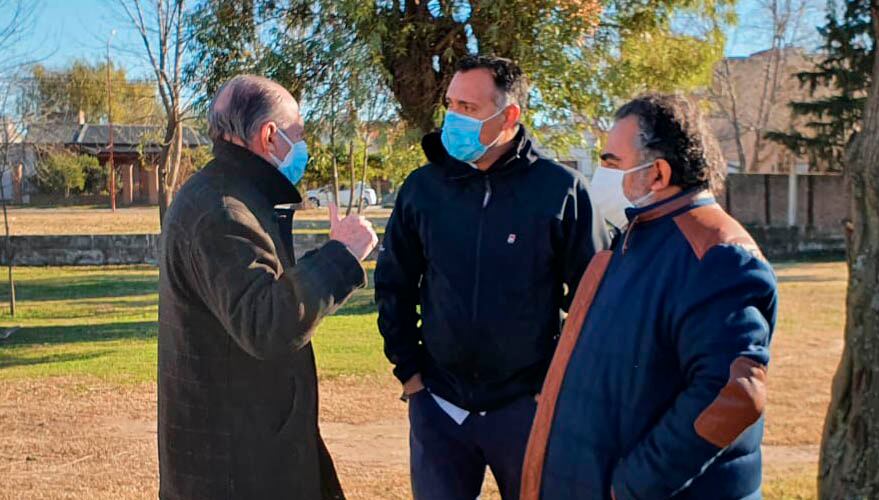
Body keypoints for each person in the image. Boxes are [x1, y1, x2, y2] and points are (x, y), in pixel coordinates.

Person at [521, 93, 778, 500]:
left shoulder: (716, 254)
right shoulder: (635, 238)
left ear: (657, 173)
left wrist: (633, 486)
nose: (601, 173)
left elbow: (733, 393)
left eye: (611, 162)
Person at [375, 55, 608, 500]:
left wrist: (553, 389)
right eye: (451, 104)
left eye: (470, 108)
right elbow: (394, 285)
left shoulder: (561, 191)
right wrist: (411, 378)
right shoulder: (423, 189)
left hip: (527, 410)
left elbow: (591, 303)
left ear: (509, 115)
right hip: (439, 406)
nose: (454, 118)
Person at [157, 75, 378, 500]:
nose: (303, 146)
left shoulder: (230, 195)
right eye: (299, 134)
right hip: (235, 468)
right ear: (269, 137)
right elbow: (265, 323)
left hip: (244, 447)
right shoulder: (223, 210)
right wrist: (342, 256)